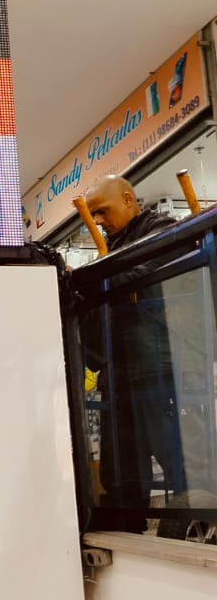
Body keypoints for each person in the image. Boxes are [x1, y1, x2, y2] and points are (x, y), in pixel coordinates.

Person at [83, 175, 187, 510]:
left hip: (156, 366)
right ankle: (127, 516)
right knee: (120, 464)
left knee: (174, 453)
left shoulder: (162, 231)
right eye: (93, 215)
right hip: (120, 368)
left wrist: (96, 281)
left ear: (128, 199)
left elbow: (143, 278)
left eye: (102, 210)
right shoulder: (112, 247)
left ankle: (196, 510)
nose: (98, 221)